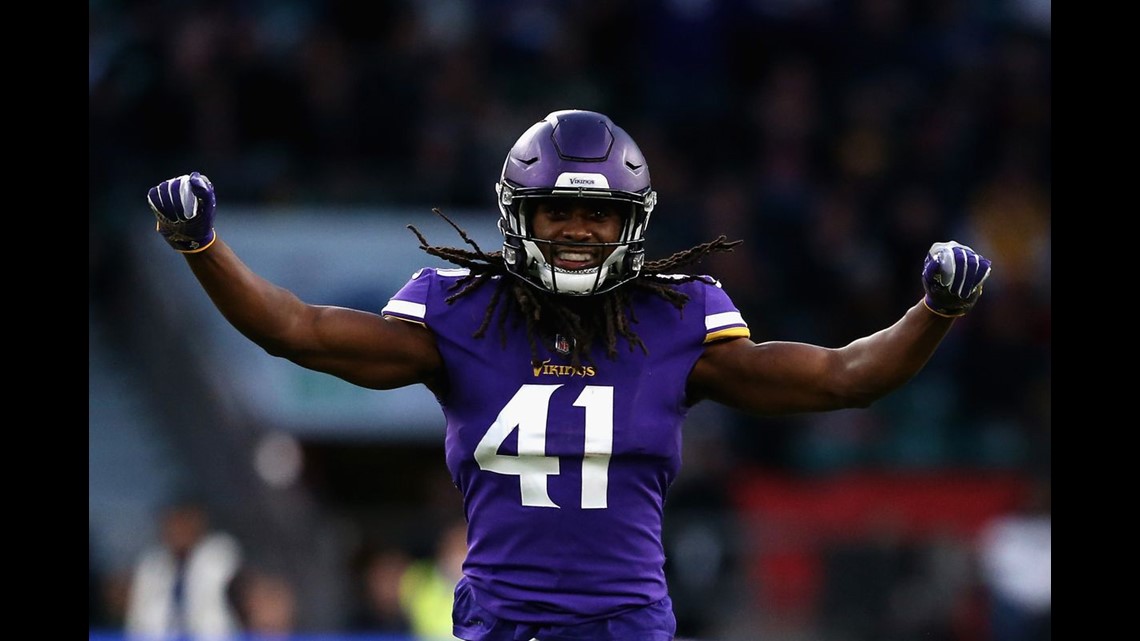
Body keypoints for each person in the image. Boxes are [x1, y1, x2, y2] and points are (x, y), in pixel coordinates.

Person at [145, 109, 992, 640]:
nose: (579, 228)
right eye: (559, 209)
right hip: (495, 622)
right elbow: (297, 330)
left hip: (623, 624)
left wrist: (935, 312)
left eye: (599, 211)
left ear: (632, 222)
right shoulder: (461, 310)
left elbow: (845, 377)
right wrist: (203, 247)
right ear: (522, 215)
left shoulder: (678, 315)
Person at [124, 498, 244, 640]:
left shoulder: (220, 556)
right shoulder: (151, 565)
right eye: (172, 523)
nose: (178, 530)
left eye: (184, 522)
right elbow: (139, 621)